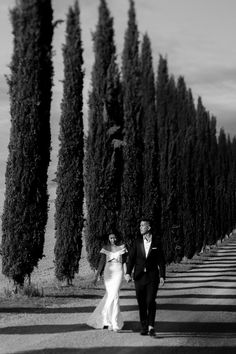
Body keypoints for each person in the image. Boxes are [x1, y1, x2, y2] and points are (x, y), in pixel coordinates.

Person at [125, 219, 165, 337]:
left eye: (143, 225)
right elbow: (131, 259)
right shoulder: (137, 242)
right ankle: (144, 327)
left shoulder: (157, 243)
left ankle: (151, 326)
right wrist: (128, 273)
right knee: (141, 303)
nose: (140, 227)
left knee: (150, 301)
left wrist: (162, 275)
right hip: (139, 277)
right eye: (140, 225)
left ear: (149, 227)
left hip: (152, 277)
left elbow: (161, 261)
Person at [86, 232, 127, 332]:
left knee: (115, 295)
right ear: (109, 239)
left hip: (118, 271)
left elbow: (125, 262)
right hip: (108, 272)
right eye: (111, 238)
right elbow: (101, 262)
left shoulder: (122, 248)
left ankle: (115, 323)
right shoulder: (105, 248)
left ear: (117, 238)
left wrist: (127, 274)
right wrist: (97, 275)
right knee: (110, 295)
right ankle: (107, 320)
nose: (113, 239)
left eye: (115, 238)